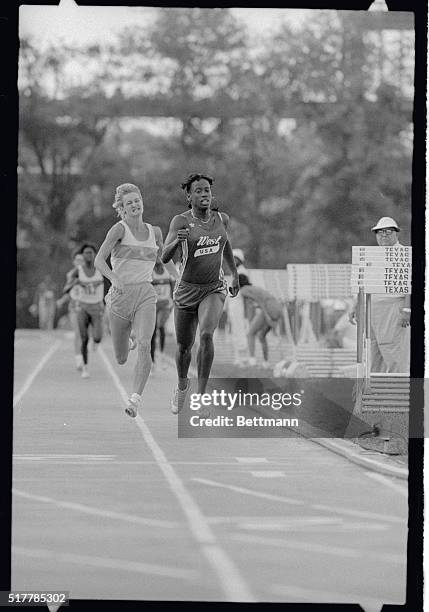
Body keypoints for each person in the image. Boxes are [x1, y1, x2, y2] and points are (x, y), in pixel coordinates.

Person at [95, 182, 178, 417]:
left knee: (145, 344)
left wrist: (178, 278)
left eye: (137, 200)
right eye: (129, 202)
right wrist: (113, 278)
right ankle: (128, 341)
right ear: (121, 208)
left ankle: (134, 399)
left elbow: (164, 258)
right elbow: (99, 261)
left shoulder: (156, 232)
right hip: (120, 298)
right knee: (121, 358)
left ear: (142, 202)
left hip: (145, 294)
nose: (134, 205)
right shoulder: (118, 230)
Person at [162, 172, 239, 414]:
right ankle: (182, 386)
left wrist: (234, 274)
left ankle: (201, 396)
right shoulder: (180, 222)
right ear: (189, 196)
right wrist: (177, 242)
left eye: (207, 190)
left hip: (213, 288)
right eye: (198, 191)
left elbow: (225, 245)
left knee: (206, 335)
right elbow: (164, 257)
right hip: (186, 290)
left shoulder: (222, 219)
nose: (204, 194)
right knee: (184, 347)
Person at [349, 216, 410, 373]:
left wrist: (406, 310)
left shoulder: (403, 254)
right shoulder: (373, 255)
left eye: (388, 232)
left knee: (393, 353)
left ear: (396, 234)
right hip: (372, 309)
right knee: (373, 354)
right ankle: (377, 393)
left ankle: (398, 392)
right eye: (380, 232)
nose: (383, 235)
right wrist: (355, 306)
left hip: (392, 308)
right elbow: (362, 283)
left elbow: (410, 285)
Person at [65, 243, 105, 378]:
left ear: (95, 254)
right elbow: (66, 289)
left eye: (91, 253)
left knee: (98, 337)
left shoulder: (101, 268)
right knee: (83, 338)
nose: (89, 255)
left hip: (97, 308)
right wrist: (74, 283)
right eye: (86, 253)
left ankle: (96, 342)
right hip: (82, 307)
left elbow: (113, 281)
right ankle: (85, 368)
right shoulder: (78, 271)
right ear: (82, 255)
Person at [238, 273, 283, 368]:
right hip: (277, 307)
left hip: (268, 307)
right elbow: (258, 302)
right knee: (261, 335)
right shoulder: (254, 288)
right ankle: (266, 362)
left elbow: (260, 301)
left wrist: (267, 316)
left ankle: (252, 360)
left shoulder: (244, 290)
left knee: (250, 333)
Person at [58, 250, 86, 371]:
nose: (79, 262)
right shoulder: (70, 275)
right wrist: (62, 301)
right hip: (74, 308)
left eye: (82, 260)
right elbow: (67, 291)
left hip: (87, 308)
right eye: (77, 260)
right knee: (78, 333)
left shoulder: (91, 274)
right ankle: (79, 359)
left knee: (85, 334)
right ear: (74, 262)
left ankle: (83, 354)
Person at [151, 261, 175, 371]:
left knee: (160, 326)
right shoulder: (150, 272)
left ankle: (162, 354)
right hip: (154, 305)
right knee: (152, 330)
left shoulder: (168, 271)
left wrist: (172, 302)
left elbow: (173, 287)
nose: (158, 260)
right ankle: (152, 360)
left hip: (165, 304)